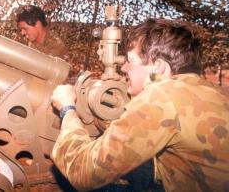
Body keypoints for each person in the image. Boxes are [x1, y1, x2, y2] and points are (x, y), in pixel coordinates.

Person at [50, 18, 229, 191]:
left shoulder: (161, 95)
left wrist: (67, 108)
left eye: (131, 61)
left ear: (158, 67)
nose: (124, 67)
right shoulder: (209, 90)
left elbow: (83, 171)